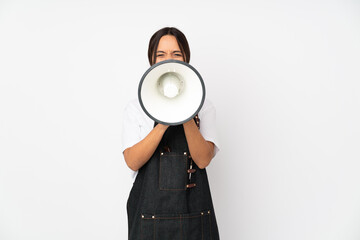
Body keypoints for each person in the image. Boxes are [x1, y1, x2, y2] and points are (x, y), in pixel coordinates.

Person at [121, 27, 220, 240]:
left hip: (194, 216)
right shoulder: (136, 107)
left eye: (176, 54)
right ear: (151, 60)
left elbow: (203, 159)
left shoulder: (204, 106)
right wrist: (164, 119)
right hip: (149, 218)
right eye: (161, 55)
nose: (169, 60)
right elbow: (132, 161)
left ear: (186, 58)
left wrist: (185, 111)